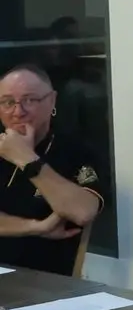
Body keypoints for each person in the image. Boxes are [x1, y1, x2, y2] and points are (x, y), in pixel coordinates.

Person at [0, 64, 104, 275]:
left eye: (30, 100)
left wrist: (27, 159)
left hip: (45, 282)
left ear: (52, 100)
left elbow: (83, 212)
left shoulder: (77, 152)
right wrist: (36, 227)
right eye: (8, 102)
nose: (18, 112)